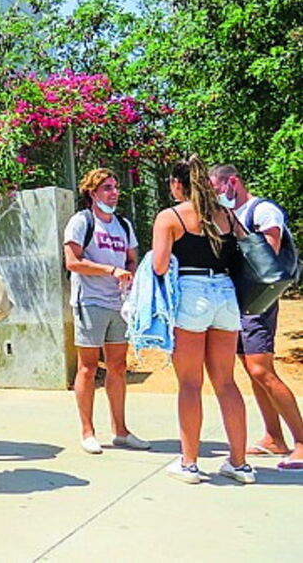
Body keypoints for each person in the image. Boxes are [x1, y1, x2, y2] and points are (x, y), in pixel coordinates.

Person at [153, 155, 254, 484]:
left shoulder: (170, 217)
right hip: (225, 294)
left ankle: (190, 463)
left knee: (191, 383)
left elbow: (159, 266)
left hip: (191, 294)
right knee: (226, 382)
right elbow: (246, 245)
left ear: (178, 184)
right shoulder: (225, 214)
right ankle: (239, 464)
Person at [210, 164, 303, 467]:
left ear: (232, 182)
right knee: (251, 371)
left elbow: (268, 255)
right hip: (237, 301)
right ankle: (274, 437)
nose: (213, 194)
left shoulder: (263, 211)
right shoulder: (223, 215)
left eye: (215, 187)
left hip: (258, 301)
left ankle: (301, 441)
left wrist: (236, 230)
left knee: (262, 369)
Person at [63, 168, 149, 454]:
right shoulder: (81, 222)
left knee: (118, 366)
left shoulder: (123, 225)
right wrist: (109, 270)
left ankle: (120, 430)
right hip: (90, 301)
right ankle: (88, 431)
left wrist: (132, 276)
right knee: (88, 367)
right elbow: (72, 262)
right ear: (93, 193)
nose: (113, 193)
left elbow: (132, 258)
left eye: (115, 187)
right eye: (107, 188)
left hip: (119, 303)